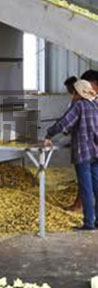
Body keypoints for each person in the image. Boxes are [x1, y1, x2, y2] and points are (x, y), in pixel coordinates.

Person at [44, 79, 98, 231]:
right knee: (97, 187)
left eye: (73, 92)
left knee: (86, 189)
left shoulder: (79, 106)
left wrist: (49, 134)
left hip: (83, 153)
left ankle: (89, 223)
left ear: (77, 93)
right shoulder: (95, 105)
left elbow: (64, 123)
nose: (72, 95)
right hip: (96, 152)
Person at [63, 76, 82, 213]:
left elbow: (67, 123)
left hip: (84, 148)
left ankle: (78, 205)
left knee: (84, 176)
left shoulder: (79, 103)